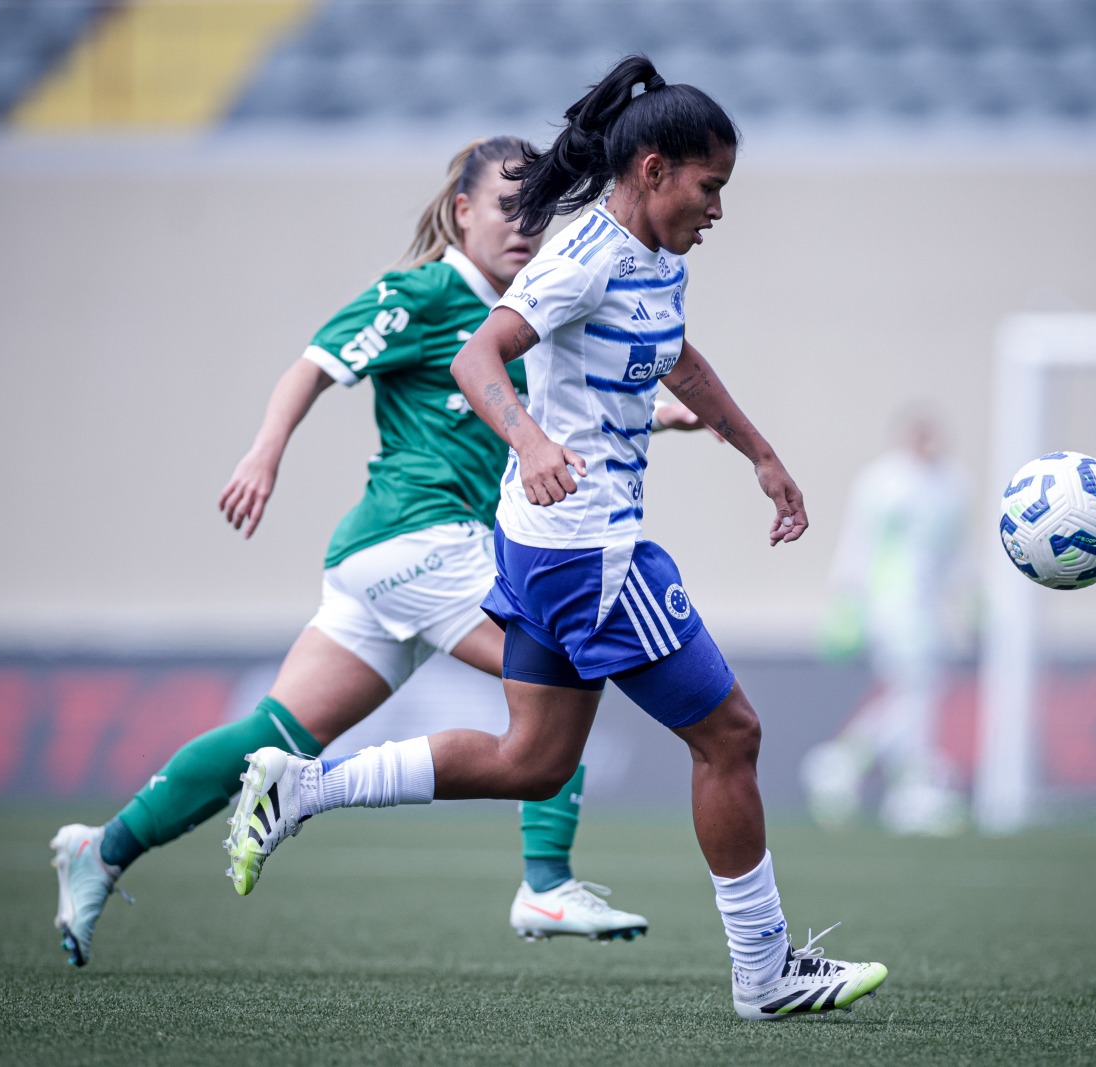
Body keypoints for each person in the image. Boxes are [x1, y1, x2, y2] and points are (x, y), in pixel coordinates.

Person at [223, 55, 888, 1022]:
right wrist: (530, 440)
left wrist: (760, 453)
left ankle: (304, 787)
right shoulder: (584, 257)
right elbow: (476, 355)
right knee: (732, 736)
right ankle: (764, 969)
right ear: (654, 169)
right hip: (589, 553)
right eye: (710, 187)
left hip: (543, 549)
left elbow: (677, 357)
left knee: (532, 759)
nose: (718, 209)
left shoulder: (657, 258)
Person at [51, 136, 680, 967]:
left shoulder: (526, 313)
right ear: (462, 211)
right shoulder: (424, 294)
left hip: (385, 566)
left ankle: (99, 850)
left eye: (537, 210)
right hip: (420, 539)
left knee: (272, 736)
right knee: (560, 666)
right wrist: (264, 453)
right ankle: (546, 881)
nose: (525, 226)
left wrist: (661, 416)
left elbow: (538, 411)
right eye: (506, 207)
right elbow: (311, 366)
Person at [802, 411, 971, 835]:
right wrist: (846, 602)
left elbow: (955, 554)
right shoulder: (882, 482)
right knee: (919, 692)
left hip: (929, 610)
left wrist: (971, 601)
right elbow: (858, 543)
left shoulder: (953, 485)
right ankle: (911, 792)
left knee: (915, 694)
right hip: (889, 605)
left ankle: (842, 763)